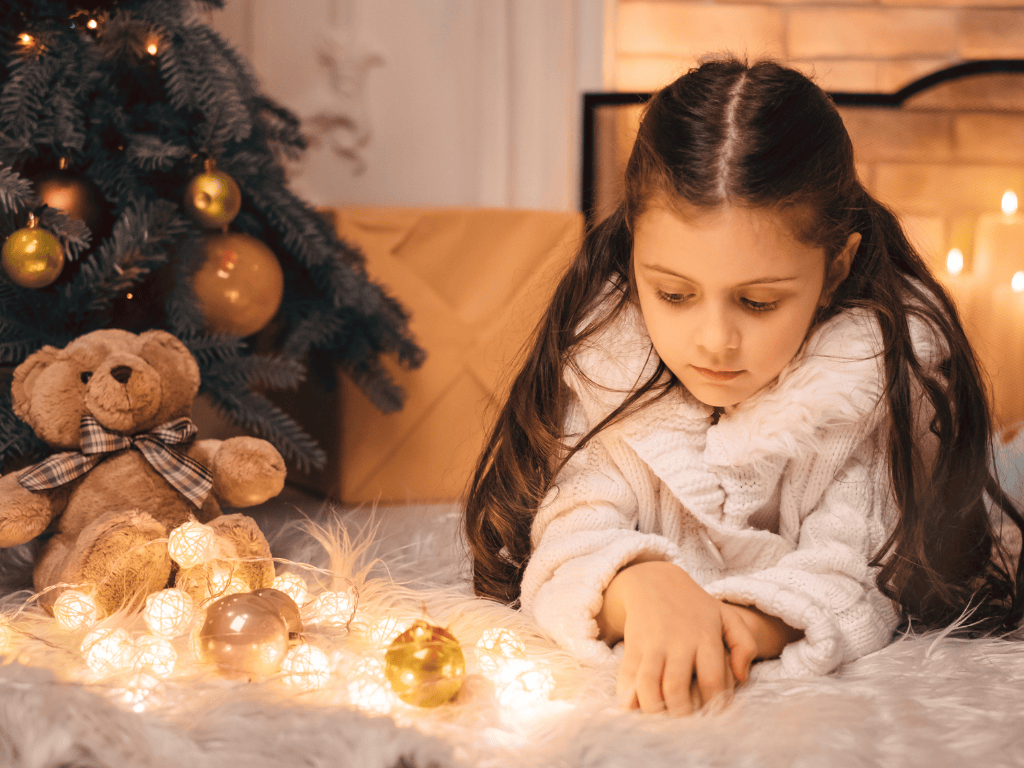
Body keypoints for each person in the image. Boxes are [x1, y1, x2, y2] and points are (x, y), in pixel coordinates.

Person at [463, 56, 1024, 716]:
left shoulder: (864, 389)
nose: (712, 340)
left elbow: (857, 568)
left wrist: (746, 622)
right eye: (673, 294)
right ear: (633, 253)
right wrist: (639, 584)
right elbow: (568, 535)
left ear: (835, 268)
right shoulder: (608, 371)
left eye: (757, 302)